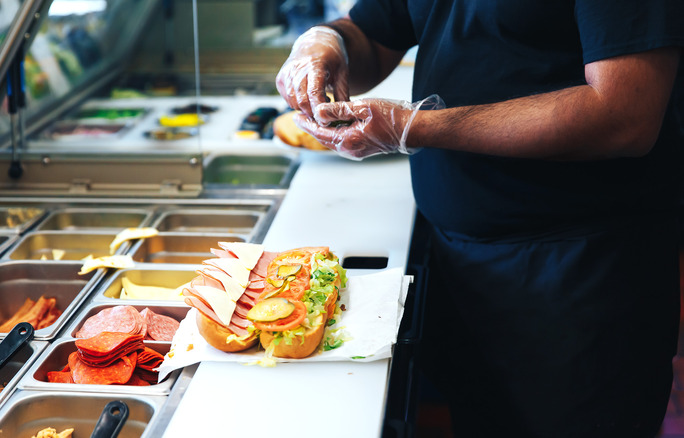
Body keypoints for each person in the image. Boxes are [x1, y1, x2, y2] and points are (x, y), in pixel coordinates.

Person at [275, 1, 684, 437]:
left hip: (579, 275)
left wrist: (419, 126)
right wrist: (326, 46)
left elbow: (624, 114)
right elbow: (373, 36)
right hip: (463, 262)